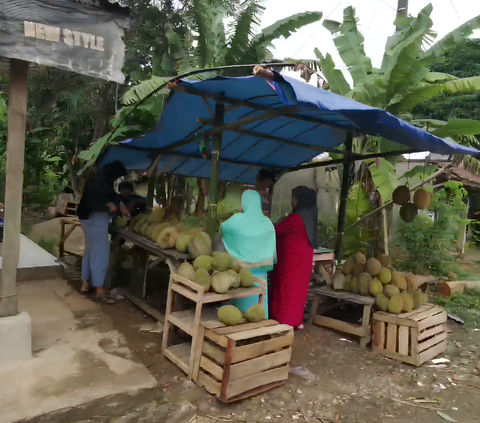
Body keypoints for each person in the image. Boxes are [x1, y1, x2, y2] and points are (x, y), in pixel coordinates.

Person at [77, 161, 129, 299]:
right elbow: (102, 202)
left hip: (86, 218)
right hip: (96, 219)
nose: (116, 179)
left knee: (90, 251)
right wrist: (111, 208)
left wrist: (119, 206)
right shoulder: (101, 184)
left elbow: (112, 197)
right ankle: (99, 288)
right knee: (100, 253)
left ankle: (86, 284)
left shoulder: (96, 180)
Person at [269, 186, 318, 329]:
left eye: (294, 198)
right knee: (297, 291)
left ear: (300, 201)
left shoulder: (297, 218)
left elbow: (278, 230)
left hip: (292, 261)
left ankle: (285, 321)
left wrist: (262, 222)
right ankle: (296, 320)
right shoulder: (309, 216)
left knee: (288, 290)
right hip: (303, 260)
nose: (292, 201)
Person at [221, 190, 276, 317]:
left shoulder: (236, 221)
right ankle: (259, 329)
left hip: (242, 272)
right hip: (261, 272)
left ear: (243, 203)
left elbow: (224, 228)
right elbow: (272, 248)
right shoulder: (267, 224)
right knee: (259, 304)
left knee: (239, 313)